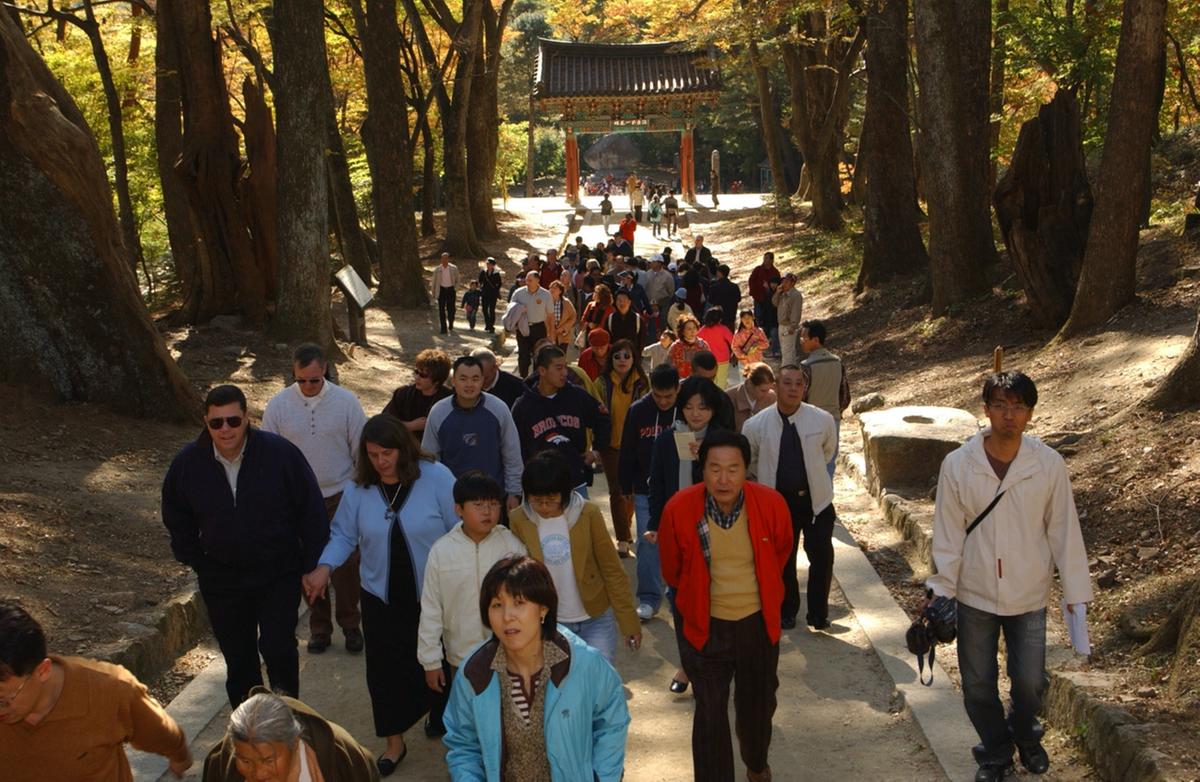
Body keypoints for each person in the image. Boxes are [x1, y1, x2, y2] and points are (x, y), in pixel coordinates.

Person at [928, 372, 1093, 782]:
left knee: (1030, 682)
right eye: (1000, 405)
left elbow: (1064, 529)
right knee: (979, 685)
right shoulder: (959, 465)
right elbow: (947, 535)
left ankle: (1025, 733)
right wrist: (940, 590)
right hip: (975, 593)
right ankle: (996, 751)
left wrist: (1074, 591)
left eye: (1018, 406)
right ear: (986, 410)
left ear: (1030, 413)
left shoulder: (1048, 464)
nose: (1009, 415)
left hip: (1029, 593)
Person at [303, 415, 458, 776]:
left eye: (386, 453)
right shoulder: (359, 489)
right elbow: (343, 535)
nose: (380, 461)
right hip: (380, 595)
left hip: (433, 593)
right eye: (372, 454)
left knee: (438, 660)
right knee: (385, 672)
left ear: (403, 448)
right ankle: (394, 742)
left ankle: (439, 714)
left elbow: (459, 529)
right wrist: (323, 568)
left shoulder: (436, 476)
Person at [163, 384, 327, 707]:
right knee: (239, 658)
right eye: (216, 423)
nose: (225, 430)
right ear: (205, 422)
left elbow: (311, 510)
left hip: (277, 571)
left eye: (233, 421)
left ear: (247, 418)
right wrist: (197, 558)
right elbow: (175, 514)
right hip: (221, 578)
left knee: (278, 647)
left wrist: (313, 564)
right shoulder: (188, 464)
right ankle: (248, 728)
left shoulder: (281, 455)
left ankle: (287, 716)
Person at [657, 431, 793, 782]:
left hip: (757, 625)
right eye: (714, 468)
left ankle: (756, 763)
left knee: (757, 708)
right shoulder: (679, 509)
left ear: (746, 470)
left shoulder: (772, 504)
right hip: (704, 625)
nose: (723, 478)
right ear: (701, 469)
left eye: (733, 469)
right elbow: (672, 569)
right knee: (710, 713)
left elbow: (780, 553)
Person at [443, 556, 630, 780]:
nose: (507, 617)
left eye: (519, 603)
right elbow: (463, 744)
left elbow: (613, 721)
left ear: (543, 609)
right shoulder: (475, 673)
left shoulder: (584, 664)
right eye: (497, 605)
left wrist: (602, 777)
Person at [0, 603, 192, 781]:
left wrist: (179, 754)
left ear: (43, 671)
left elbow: (156, 729)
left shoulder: (109, 690)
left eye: (3, 701)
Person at [262, 344, 368, 656]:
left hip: (340, 493)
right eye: (301, 380)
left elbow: (360, 450)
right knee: (308, 563)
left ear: (325, 371)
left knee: (346, 564)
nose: (308, 386)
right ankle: (320, 628)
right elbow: (269, 454)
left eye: (314, 380)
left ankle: (351, 623)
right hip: (298, 500)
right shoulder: (279, 406)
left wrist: (358, 491)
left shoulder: (346, 402)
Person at [417, 472, 526, 736]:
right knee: (471, 721)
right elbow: (431, 608)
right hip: (461, 656)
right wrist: (431, 661)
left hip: (509, 651)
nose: (487, 512)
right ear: (459, 510)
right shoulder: (442, 551)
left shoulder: (511, 546)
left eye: (493, 504)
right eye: (478, 505)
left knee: (511, 719)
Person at [509, 451, 641, 663]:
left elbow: (611, 569)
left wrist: (629, 623)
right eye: (537, 500)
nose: (544, 507)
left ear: (566, 494)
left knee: (599, 680)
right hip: (550, 622)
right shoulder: (518, 519)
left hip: (595, 617)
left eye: (551, 500)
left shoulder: (587, 514)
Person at [646, 376, 729, 692]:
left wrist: (705, 459)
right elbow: (657, 486)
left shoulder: (723, 442)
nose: (696, 414)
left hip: (716, 533)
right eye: (690, 407)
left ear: (712, 410)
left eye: (703, 407)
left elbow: (730, 488)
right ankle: (687, 663)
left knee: (713, 600)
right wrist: (655, 524)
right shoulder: (667, 439)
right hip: (677, 532)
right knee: (679, 599)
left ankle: (711, 661)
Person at [742, 365, 837, 631]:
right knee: (783, 560)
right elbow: (750, 461)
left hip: (816, 500)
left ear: (804, 388)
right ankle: (787, 610)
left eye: (799, 384)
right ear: (776, 386)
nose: (793, 388)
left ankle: (818, 614)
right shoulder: (756, 424)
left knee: (822, 557)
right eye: (787, 383)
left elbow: (827, 452)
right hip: (778, 502)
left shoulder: (822, 419)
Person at [202, 689, 378, 781]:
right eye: (245, 761)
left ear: (294, 743)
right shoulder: (221, 763)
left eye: (268, 760)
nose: (259, 775)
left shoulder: (342, 758)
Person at [421, 356, 523, 511]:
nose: (469, 384)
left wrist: (514, 493)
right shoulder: (438, 412)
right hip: (452, 500)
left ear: (483, 381)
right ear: (453, 381)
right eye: (463, 379)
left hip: (493, 499)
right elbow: (429, 459)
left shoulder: (499, 409)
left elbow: (512, 453)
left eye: (475, 379)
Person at [618, 363, 679, 620]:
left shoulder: (689, 410)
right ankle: (649, 598)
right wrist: (625, 485)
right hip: (646, 490)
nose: (663, 402)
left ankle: (678, 594)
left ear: (678, 389)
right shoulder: (638, 411)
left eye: (669, 396)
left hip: (681, 489)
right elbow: (627, 449)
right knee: (648, 543)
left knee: (682, 544)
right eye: (657, 395)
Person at [513, 345, 611, 499]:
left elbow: (603, 418)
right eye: (558, 368)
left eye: (565, 367)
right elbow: (515, 446)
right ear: (542, 371)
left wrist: (596, 451)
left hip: (575, 482)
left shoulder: (576, 396)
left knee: (580, 523)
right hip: (539, 486)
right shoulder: (523, 406)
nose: (565, 373)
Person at [595, 338, 648, 558]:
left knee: (634, 492)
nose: (622, 360)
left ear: (634, 358)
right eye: (617, 356)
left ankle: (624, 524)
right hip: (611, 445)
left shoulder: (643, 383)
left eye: (627, 356)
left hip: (637, 445)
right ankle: (623, 539)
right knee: (617, 491)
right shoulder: (602, 383)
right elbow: (596, 413)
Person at [799, 319, 851, 479]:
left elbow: (801, 397)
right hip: (833, 419)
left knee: (809, 465)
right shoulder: (837, 362)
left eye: (804, 338)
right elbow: (845, 395)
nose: (801, 341)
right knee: (829, 465)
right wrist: (837, 411)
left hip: (810, 421)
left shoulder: (806, 366)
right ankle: (826, 501)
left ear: (815, 340)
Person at [381, 348, 453, 443]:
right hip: (406, 449)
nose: (417, 377)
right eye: (416, 372)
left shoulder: (449, 399)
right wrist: (411, 426)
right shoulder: (403, 394)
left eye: (423, 375)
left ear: (437, 380)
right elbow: (384, 423)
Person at [511, 270, 556, 378]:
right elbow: (510, 310)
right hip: (523, 328)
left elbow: (550, 315)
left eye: (530, 280)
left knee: (539, 356)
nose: (527, 282)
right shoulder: (518, 293)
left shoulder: (546, 295)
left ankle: (537, 380)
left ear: (537, 280)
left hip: (539, 328)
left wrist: (551, 333)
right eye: (526, 279)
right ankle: (523, 379)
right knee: (523, 356)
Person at [748, 253, 781, 356]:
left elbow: (778, 285)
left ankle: (769, 341)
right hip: (759, 298)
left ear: (771, 260)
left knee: (769, 320)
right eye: (764, 258)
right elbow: (751, 281)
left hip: (770, 301)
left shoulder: (775, 272)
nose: (765, 260)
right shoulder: (758, 270)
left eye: (767, 258)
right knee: (758, 318)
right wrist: (754, 293)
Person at [728, 363, 777, 433]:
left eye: (768, 390)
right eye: (762, 390)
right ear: (749, 383)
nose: (766, 394)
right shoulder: (729, 398)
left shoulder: (772, 398)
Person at [697, 307, 735, 388]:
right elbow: (733, 341)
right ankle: (720, 396)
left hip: (709, 359)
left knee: (711, 379)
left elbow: (696, 341)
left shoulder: (703, 329)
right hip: (723, 358)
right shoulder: (723, 329)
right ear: (720, 319)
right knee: (722, 378)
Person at [772, 273, 803, 367]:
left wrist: (793, 326)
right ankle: (791, 368)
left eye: (787, 281)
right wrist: (777, 292)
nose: (784, 283)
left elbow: (796, 311)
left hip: (789, 326)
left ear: (793, 283)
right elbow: (774, 303)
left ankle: (786, 369)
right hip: (781, 325)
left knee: (788, 350)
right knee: (785, 350)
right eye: (783, 281)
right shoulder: (782, 293)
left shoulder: (795, 295)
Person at [605, 287, 647, 357]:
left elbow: (642, 341)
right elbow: (607, 340)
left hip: (632, 357)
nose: (621, 303)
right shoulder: (610, 319)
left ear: (629, 302)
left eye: (624, 300)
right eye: (619, 300)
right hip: (615, 357)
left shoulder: (638, 319)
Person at [668, 314, 710, 379]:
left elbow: (708, 366)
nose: (692, 331)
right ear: (682, 331)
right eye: (689, 329)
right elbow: (669, 366)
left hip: (699, 382)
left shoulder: (703, 345)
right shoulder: (675, 347)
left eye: (694, 328)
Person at [431, 252, 460, 334]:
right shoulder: (437, 270)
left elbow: (458, 280)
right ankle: (443, 328)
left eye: (446, 258)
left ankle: (451, 322)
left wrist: (455, 289)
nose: (444, 260)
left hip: (451, 290)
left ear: (448, 259)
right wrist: (433, 292)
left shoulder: (454, 268)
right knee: (441, 310)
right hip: (441, 290)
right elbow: (434, 282)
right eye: (442, 258)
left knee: (451, 309)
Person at [708, 265, 742, 331]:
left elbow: (710, 300)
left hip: (718, 317)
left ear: (720, 273)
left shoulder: (714, 287)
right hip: (731, 315)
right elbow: (738, 299)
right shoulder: (734, 286)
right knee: (730, 336)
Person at [549, 280, 577, 351]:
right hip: (549, 335)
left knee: (561, 357)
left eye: (555, 288)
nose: (552, 289)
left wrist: (563, 328)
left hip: (563, 336)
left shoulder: (566, 302)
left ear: (560, 291)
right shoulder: (546, 302)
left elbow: (573, 316)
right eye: (551, 287)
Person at [478, 257, 503, 333]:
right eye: (487, 264)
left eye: (490, 264)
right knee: (484, 309)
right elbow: (480, 280)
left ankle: (491, 325)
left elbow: (499, 283)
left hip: (493, 294)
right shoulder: (483, 272)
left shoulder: (496, 273)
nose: (488, 265)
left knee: (491, 310)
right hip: (485, 293)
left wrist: (496, 290)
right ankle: (487, 324)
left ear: (493, 265)